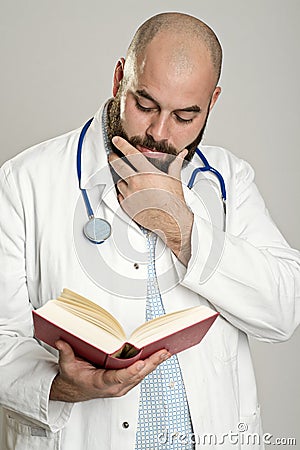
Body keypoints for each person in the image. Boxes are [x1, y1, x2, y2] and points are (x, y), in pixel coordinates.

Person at [0, 11, 299, 450]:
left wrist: (186, 232)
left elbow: (284, 310)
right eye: (145, 105)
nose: (159, 133)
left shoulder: (229, 179)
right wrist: (59, 386)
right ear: (120, 77)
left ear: (212, 102)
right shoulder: (24, 181)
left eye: (185, 115)